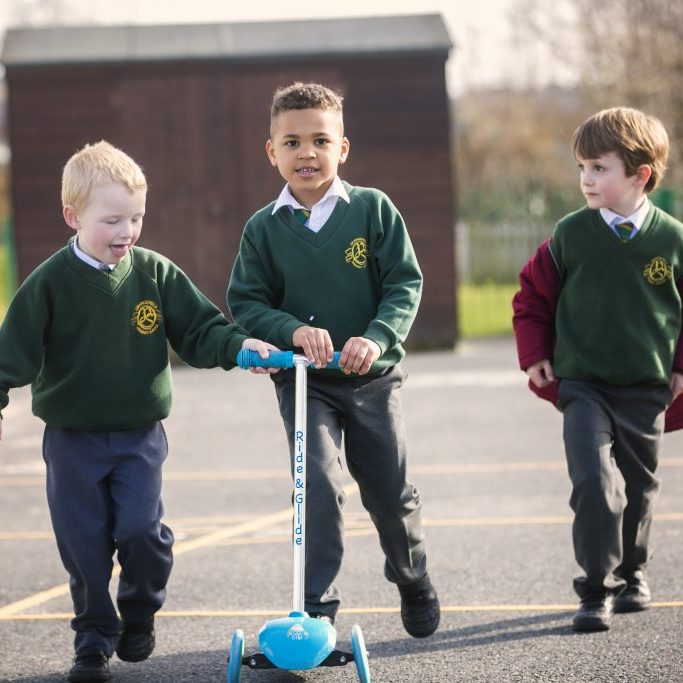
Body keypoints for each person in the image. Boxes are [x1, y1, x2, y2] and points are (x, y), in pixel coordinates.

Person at [0, 141, 276, 683]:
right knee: (83, 548)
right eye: (112, 220)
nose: (127, 231)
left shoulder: (154, 274)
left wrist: (241, 348)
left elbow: (201, 328)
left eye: (136, 218)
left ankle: (140, 610)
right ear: (72, 216)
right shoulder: (50, 284)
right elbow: (12, 352)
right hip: (72, 441)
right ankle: (93, 640)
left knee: (142, 534)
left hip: (137, 437)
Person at [227, 82, 440, 638]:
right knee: (317, 487)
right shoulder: (262, 229)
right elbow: (247, 302)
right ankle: (314, 609)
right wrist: (292, 332)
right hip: (305, 383)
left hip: (371, 377)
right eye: (292, 142)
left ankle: (412, 576)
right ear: (270, 151)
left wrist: (376, 335)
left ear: (342, 148)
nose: (307, 153)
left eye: (321, 140)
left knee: (389, 493)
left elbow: (403, 283)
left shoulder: (372, 210)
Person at [512, 107, 683, 632]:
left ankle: (633, 572)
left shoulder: (673, 240)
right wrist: (537, 352)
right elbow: (532, 298)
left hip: (646, 387)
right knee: (593, 483)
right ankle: (595, 587)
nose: (586, 178)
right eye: (582, 167)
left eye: (599, 168)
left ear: (640, 175)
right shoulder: (570, 235)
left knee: (638, 489)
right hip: (584, 384)